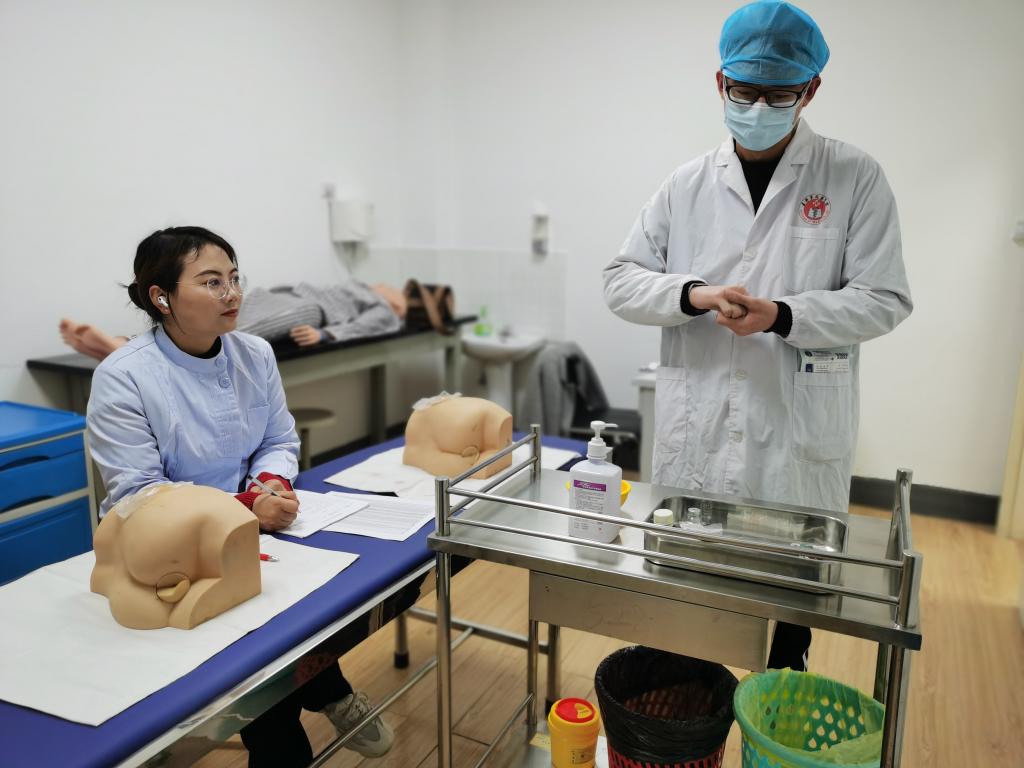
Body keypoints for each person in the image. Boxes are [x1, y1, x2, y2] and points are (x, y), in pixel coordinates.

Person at [603, 0, 912, 671]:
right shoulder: (686, 184)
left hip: (793, 429)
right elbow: (620, 281)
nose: (759, 107)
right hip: (700, 422)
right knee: (689, 614)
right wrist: (693, 294)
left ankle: (780, 678)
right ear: (721, 83)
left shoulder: (853, 177)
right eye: (745, 92)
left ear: (811, 91)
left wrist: (783, 315)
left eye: (779, 95)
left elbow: (885, 299)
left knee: (789, 612)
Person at [86, 226, 394, 766]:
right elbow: (142, 496)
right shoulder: (125, 377)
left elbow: (278, 440)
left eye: (233, 278)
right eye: (211, 282)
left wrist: (270, 484)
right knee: (260, 655)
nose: (232, 294)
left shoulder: (254, 353)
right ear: (162, 297)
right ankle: (322, 696)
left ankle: (323, 687)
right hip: (167, 550)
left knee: (312, 603)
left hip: (256, 525)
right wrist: (250, 507)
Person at [59, 278, 404, 361]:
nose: (389, 287)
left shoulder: (383, 307)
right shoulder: (357, 286)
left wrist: (326, 335)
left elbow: (370, 325)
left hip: (309, 309)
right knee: (208, 318)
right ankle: (129, 346)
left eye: (397, 293)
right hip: (284, 294)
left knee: (229, 328)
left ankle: (125, 347)